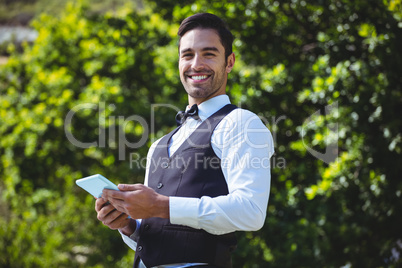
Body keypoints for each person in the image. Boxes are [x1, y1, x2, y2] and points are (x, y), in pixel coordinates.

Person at [95, 13, 274, 268]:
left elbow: (250, 212)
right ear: (179, 63)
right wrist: (127, 225)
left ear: (230, 62)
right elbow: (159, 236)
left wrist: (160, 205)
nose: (196, 64)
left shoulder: (241, 123)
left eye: (209, 54)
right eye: (187, 55)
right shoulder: (159, 145)